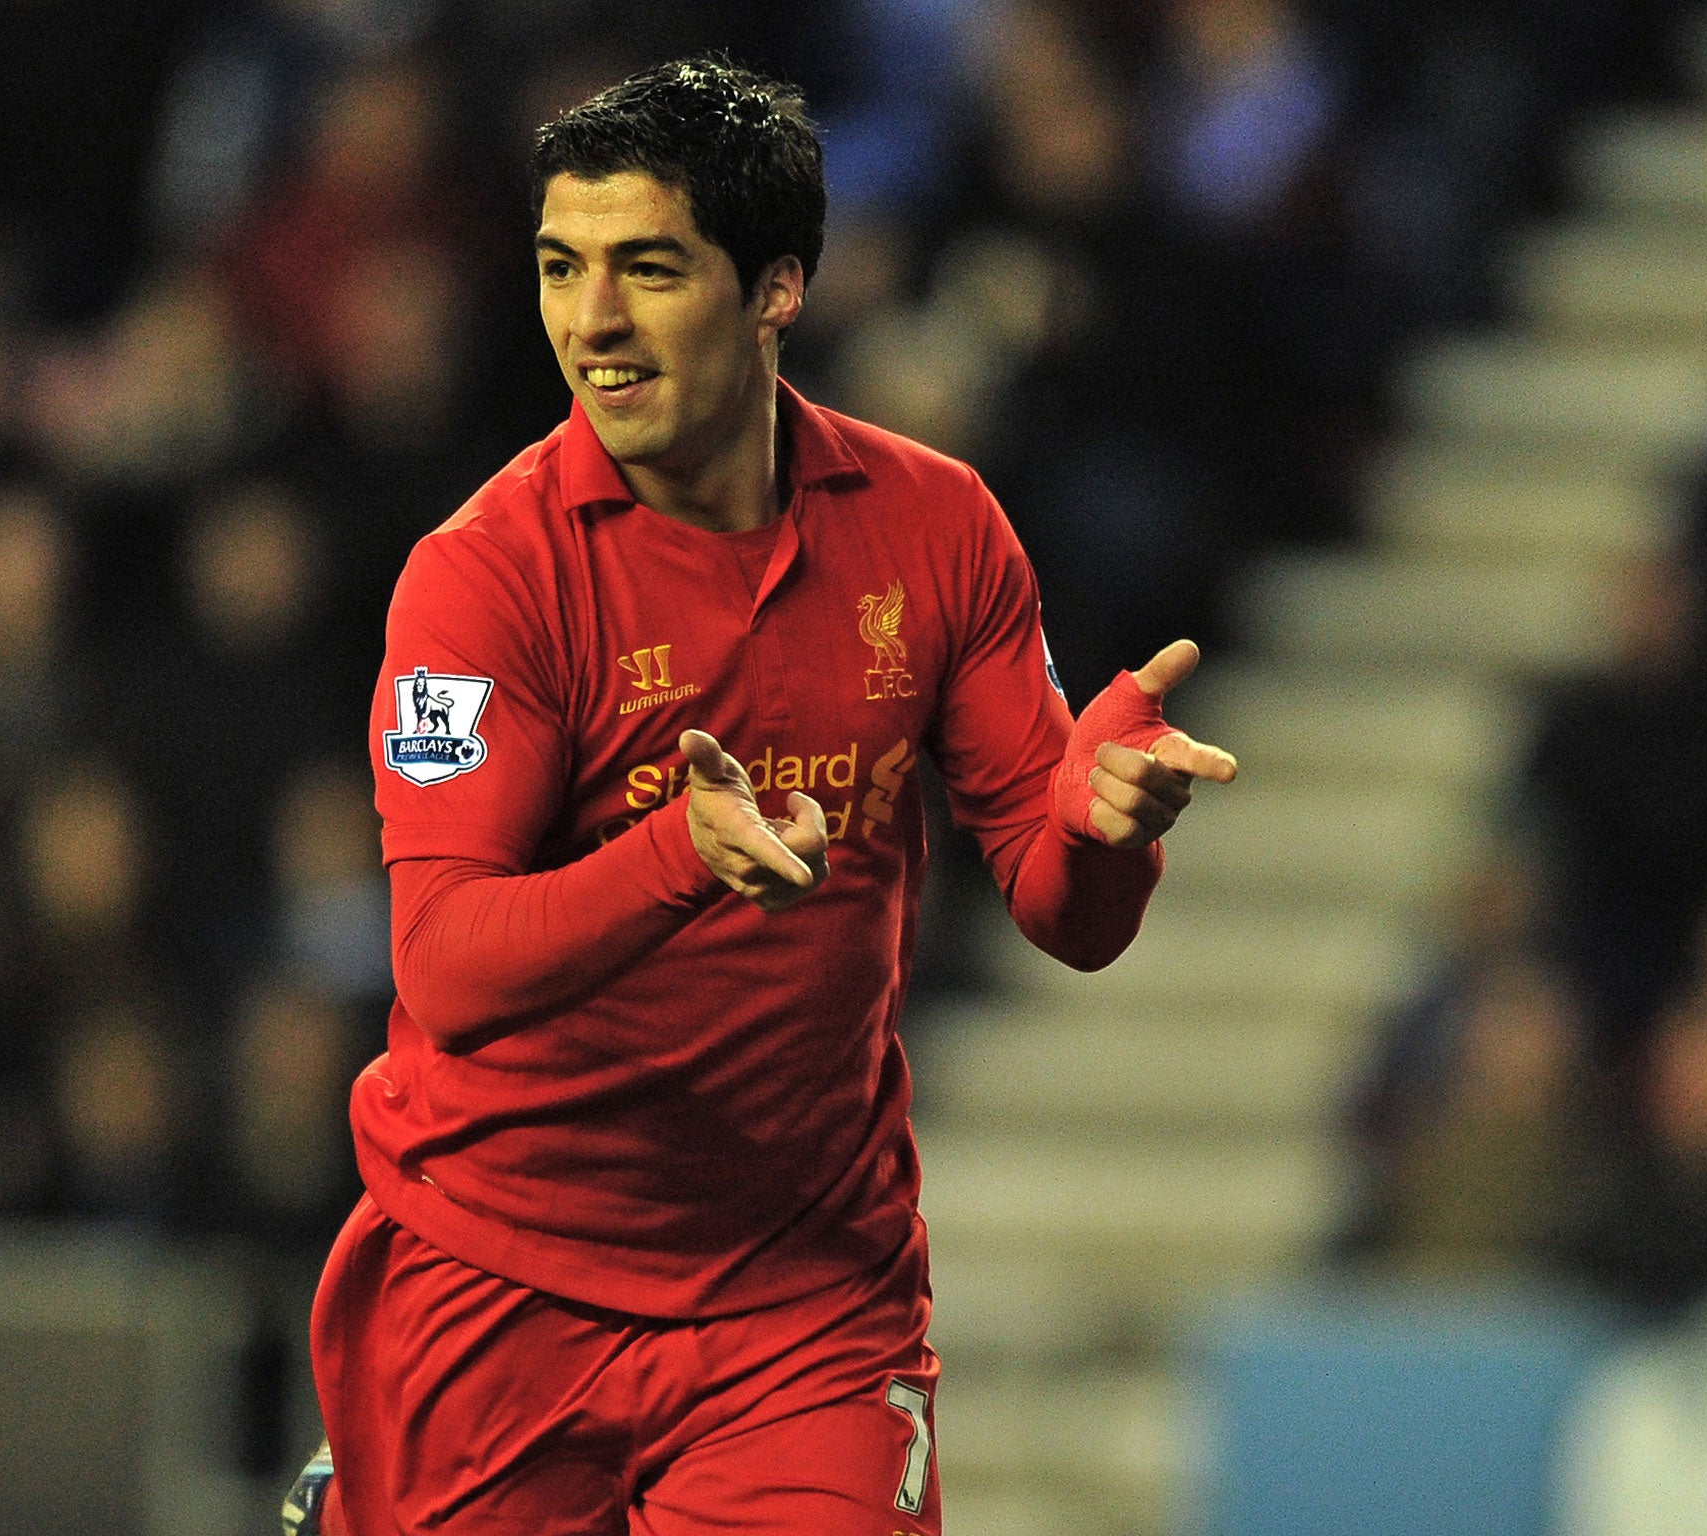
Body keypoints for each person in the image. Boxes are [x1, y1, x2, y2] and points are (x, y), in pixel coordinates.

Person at [295, 57, 1236, 1536]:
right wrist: (677, 856)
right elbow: (448, 967)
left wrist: (1101, 823)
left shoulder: (938, 529)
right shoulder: (480, 581)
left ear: (778, 287)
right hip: (495, 1275)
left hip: (802, 1293)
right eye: (560, 268)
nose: (590, 322)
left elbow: (1066, 916)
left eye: (648, 269)